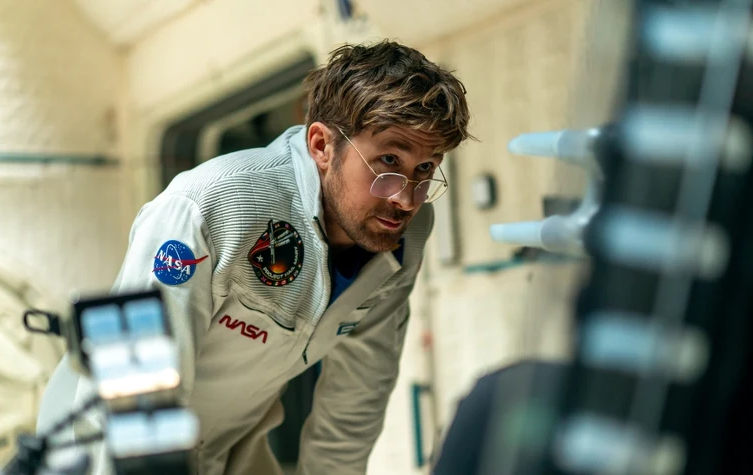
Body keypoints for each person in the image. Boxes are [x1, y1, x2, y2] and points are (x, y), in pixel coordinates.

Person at [36, 40, 473, 475]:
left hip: (231, 447)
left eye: (425, 169)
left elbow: (355, 403)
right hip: (98, 451)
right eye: (388, 161)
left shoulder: (404, 235)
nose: (405, 198)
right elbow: (135, 400)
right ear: (321, 145)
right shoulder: (212, 205)